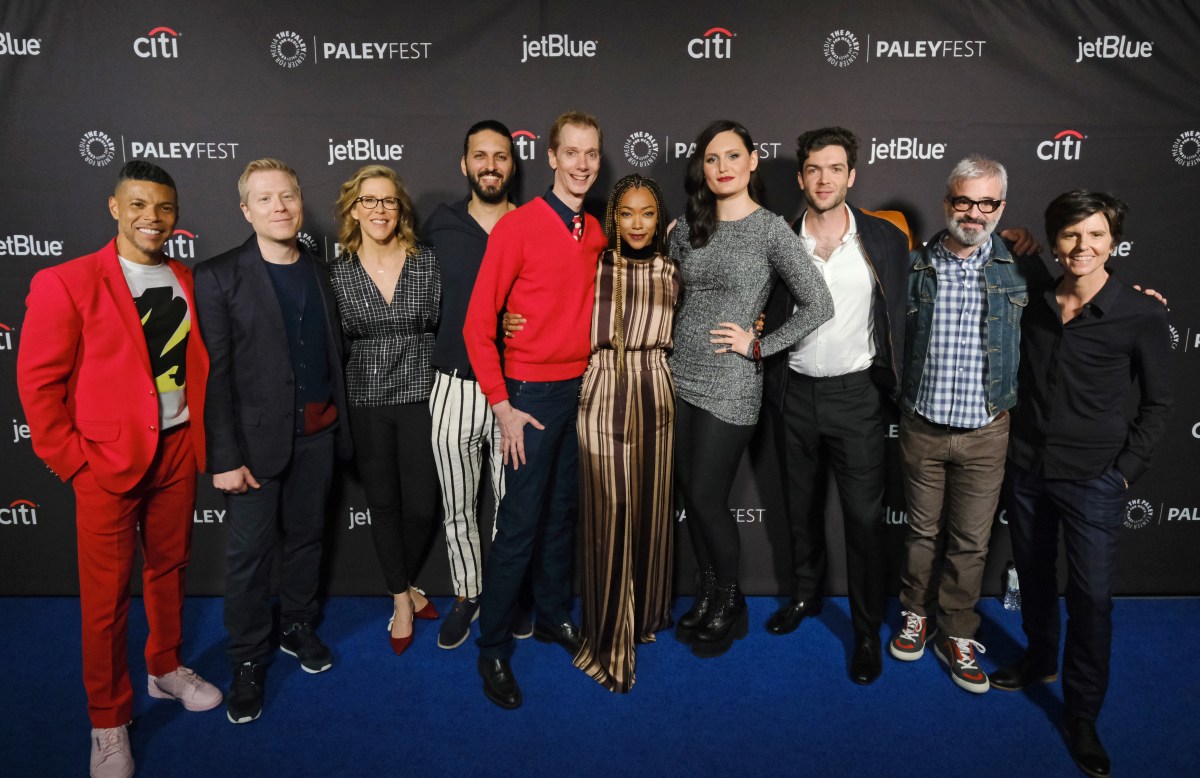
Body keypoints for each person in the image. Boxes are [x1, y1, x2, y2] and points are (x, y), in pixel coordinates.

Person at [17, 160, 222, 778]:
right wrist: (73, 462)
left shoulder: (189, 278)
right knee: (104, 603)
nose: (150, 219)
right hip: (104, 463)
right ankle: (108, 720)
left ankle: (164, 667)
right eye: (137, 205)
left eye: (162, 208)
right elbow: (37, 383)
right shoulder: (68, 280)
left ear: (175, 215)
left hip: (178, 448)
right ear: (114, 208)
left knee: (170, 568)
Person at [992, 191, 1172, 778]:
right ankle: (1040, 656)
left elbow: (1159, 403)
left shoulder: (1141, 313)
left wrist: (1125, 472)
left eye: (1095, 235)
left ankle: (1082, 716)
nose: (1083, 247)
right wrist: (1018, 241)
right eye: (1071, 235)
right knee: (1035, 575)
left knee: (1092, 600)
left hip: (1096, 478)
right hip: (1028, 469)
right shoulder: (1036, 299)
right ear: (1055, 240)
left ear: (1113, 240)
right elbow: (1010, 244)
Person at [887, 155, 1056, 693]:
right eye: (964, 200)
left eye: (987, 203)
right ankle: (916, 613)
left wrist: (1134, 298)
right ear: (947, 202)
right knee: (920, 534)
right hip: (923, 424)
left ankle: (957, 630)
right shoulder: (914, 265)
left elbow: (1072, 307)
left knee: (970, 542)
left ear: (1002, 207)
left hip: (987, 427)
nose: (974, 212)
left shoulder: (1021, 266)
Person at [194, 158, 352, 724]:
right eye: (265, 199)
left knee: (307, 540)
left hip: (318, 435)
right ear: (246, 210)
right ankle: (247, 660)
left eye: (287, 195)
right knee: (248, 558)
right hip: (252, 449)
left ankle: (296, 625)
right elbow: (213, 376)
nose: (280, 206)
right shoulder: (217, 276)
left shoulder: (319, 268)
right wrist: (225, 456)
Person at [669, 120, 834, 658]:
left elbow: (819, 304)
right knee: (693, 496)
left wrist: (760, 345)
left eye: (732, 156)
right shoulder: (686, 228)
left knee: (708, 497)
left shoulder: (769, 230)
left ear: (753, 161)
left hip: (732, 382)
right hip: (680, 377)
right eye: (712, 159)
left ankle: (729, 600)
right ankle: (707, 594)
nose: (722, 168)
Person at [510, 174, 679, 692]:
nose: (635, 223)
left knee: (651, 508)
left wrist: (756, 327)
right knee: (609, 509)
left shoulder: (674, 269)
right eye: (626, 212)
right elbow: (544, 296)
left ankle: (646, 613)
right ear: (613, 218)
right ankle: (609, 627)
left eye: (646, 213)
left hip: (657, 391)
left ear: (658, 217)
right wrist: (507, 321)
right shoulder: (595, 261)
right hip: (602, 388)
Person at [463, 111, 607, 709]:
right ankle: (493, 646)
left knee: (562, 516)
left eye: (591, 154)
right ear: (550, 157)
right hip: (529, 396)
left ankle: (550, 616)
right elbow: (478, 327)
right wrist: (502, 405)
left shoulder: (596, 230)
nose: (581, 164)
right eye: (570, 152)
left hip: (583, 391)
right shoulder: (516, 228)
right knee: (519, 525)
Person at [761, 127, 909, 685]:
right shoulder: (776, 237)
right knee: (799, 509)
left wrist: (1018, 244)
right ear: (801, 178)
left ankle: (867, 629)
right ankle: (804, 597)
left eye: (835, 168)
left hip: (858, 398)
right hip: (793, 392)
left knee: (865, 523)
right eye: (814, 170)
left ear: (852, 175)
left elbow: (939, 270)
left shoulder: (884, 239)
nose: (824, 179)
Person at [329, 165, 442, 656]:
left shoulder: (427, 262)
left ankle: (406, 584)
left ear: (401, 209)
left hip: (421, 394)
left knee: (420, 504)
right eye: (369, 201)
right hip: (367, 401)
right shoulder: (336, 272)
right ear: (354, 209)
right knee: (384, 504)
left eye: (389, 201)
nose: (379, 210)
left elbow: (447, 322)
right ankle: (401, 597)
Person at [424, 120, 518, 650]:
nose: (490, 165)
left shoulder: (531, 222)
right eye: (480, 156)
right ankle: (467, 594)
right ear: (464, 165)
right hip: (455, 385)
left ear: (512, 164)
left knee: (512, 503)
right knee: (458, 505)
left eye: (500, 156)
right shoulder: (439, 225)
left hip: (516, 387)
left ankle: (504, 593)